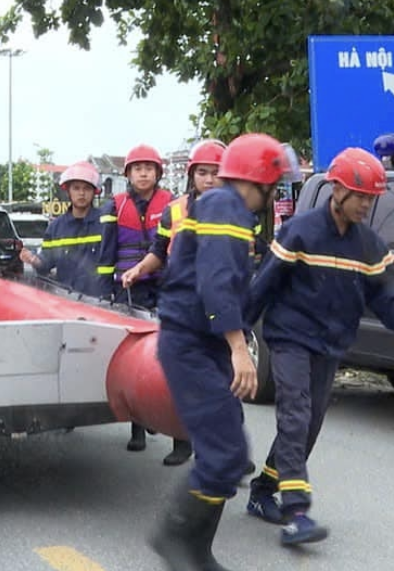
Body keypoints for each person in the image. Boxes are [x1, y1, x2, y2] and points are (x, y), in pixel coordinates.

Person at [245, 147, 394, 546]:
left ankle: (262, 491)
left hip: (330, 343)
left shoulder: (368, 245)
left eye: (371, 198)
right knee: (295, 414)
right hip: (289, 337)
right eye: (360, 195)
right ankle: (297, 513)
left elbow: (387, 289)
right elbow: (264, 283)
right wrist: (236, 335)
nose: (366, 204)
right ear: (337, 190)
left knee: (308, 428)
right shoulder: (301, 231)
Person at [147, 133, 289, 571]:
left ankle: (196, 550)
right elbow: (214, 281)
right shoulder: (225, 206)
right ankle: (174, 539)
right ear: (260, 180)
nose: (274, 195)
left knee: (227, 454)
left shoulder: (223, 207)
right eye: (274, 185)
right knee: (224, 453)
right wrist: (238, 348)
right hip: (192, 342)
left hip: (200, 341)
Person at [119, 139, 226, 467]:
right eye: (202, 173)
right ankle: (183, 441)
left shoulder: (237, 210)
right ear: (191, 175)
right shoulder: (175, 210)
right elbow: (158, 251)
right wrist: (137, 270)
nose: (209, 180)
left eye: (216, 173)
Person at [104, 143, 173, 453]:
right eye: (137, 168)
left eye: (149, 168)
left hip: (166, 284)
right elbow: (106, 250)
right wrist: (106, 286)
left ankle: (174, 429)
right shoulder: (115, 205)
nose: (143, 173)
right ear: (128, 174)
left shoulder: (172, 203)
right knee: (133, 356)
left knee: (170, 354)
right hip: (128, 287)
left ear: (158, 173)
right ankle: (137, 428)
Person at [19, 160, 112, 298]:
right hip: (66, 301)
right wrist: (34, 260)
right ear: (68, 190)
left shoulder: (106, 224)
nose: (81, 193)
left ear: (95, 192)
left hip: (100, 303)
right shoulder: (56, 227)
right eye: (76, 188)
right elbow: (46, 263)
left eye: (87, 188)